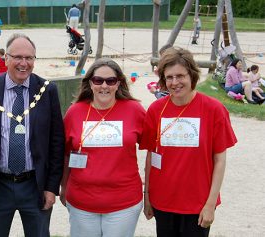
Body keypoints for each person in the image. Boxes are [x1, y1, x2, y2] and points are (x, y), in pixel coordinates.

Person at [0, 33, 65, 237]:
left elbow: (57, 143)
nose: (24, 63)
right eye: (17, 57)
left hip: (35, 185)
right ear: (6, 59)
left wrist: (51, 187)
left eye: (29, 58)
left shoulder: (48, 91)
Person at [140, 47, 237, 237]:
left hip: (198, 203)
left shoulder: (213, 109)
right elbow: (151, 155)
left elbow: (220, 160)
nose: (175, 82)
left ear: (191, 75)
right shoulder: (156, 110)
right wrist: (147, 196)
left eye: (180, 76)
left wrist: (210, 204)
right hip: (163, 201)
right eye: (169, 77)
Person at [60, 58, 145, 237]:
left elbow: (154, 147)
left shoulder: (134, 110)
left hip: (124, 203)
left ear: (119, 83)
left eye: (110, 81)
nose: (104, 86)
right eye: (98, 80)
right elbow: (66, 154)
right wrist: (64, 187)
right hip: (81, 202)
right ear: (90, 83)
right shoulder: (75, 112)